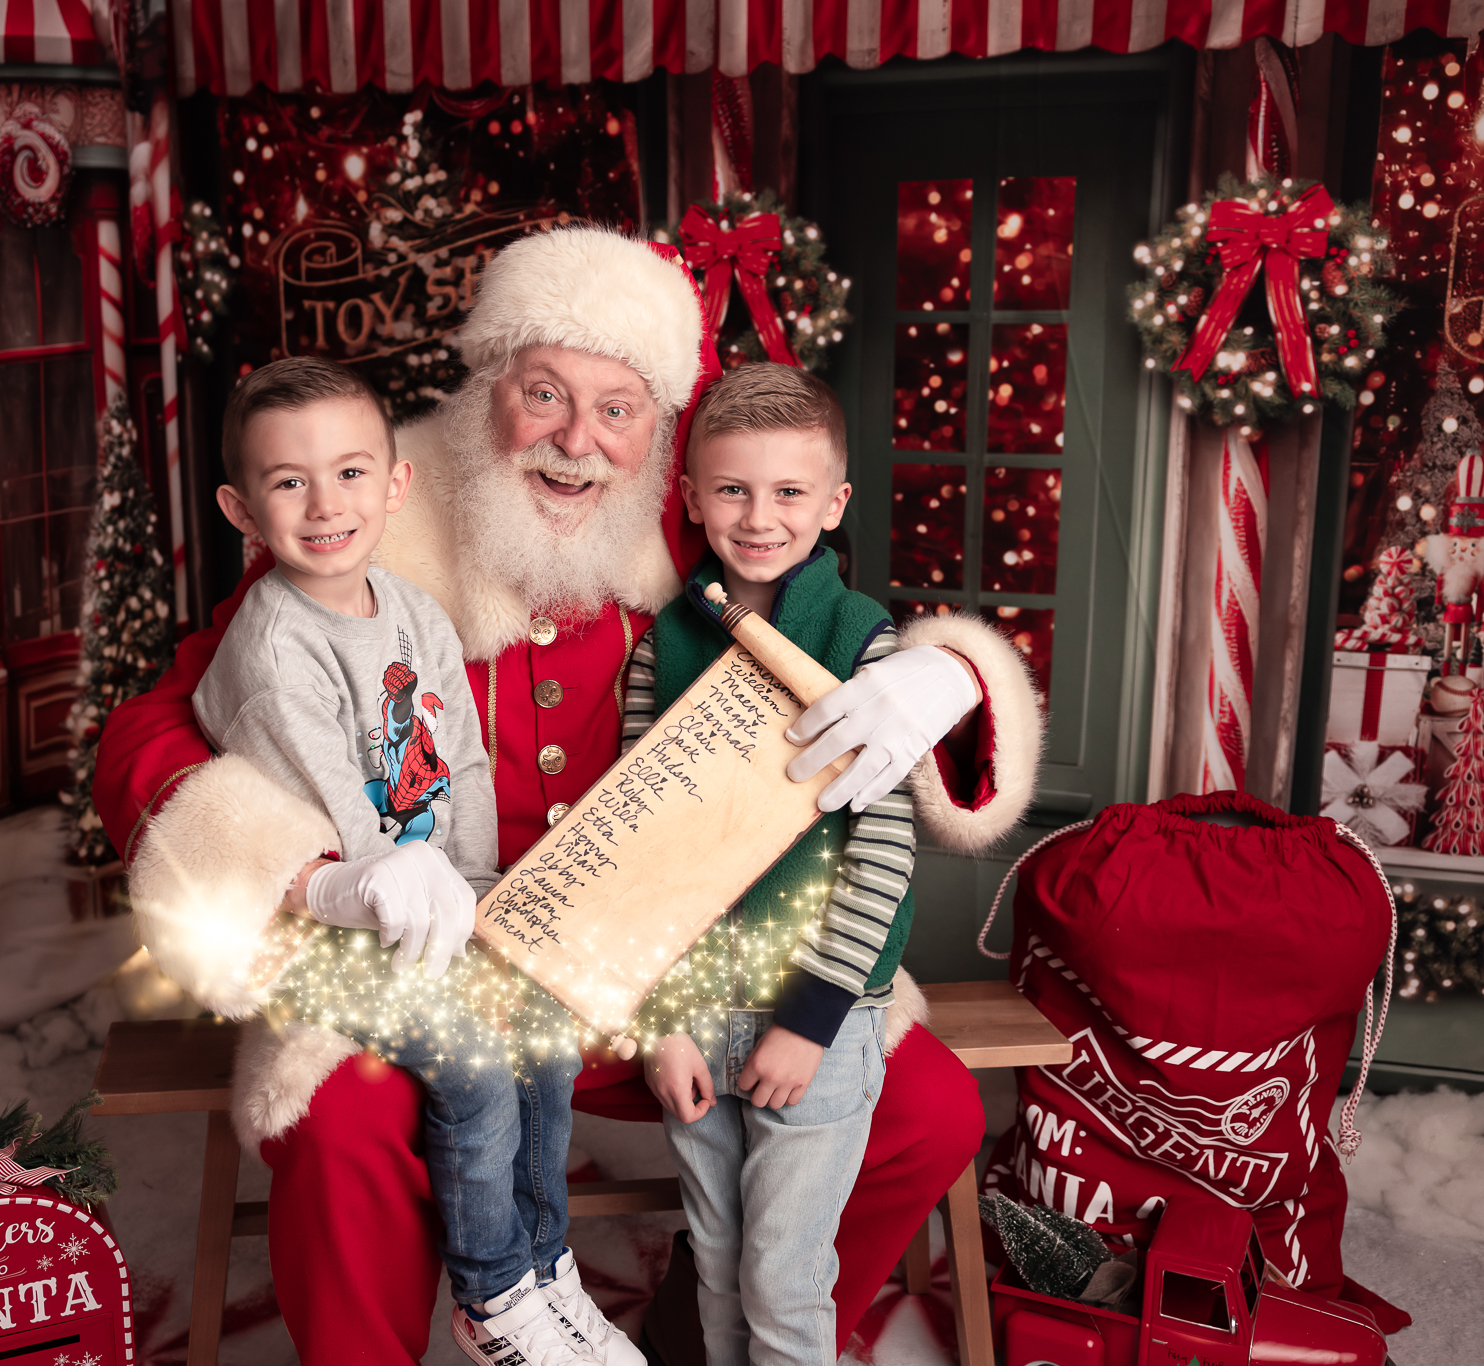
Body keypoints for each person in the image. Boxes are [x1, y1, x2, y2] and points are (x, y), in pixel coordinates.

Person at [102, 226, 1042, 1364]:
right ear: (484, 387)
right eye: (541, 393)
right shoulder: (367, 507)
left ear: (662, 436)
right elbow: (151, 727)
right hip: (441, 958)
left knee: (925, 1111)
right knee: (340, 1114)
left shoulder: (692, 523)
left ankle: (718, 1336)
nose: (574, 440)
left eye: (617, 408)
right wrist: (310, 871)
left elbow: (846, 635)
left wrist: (942, 675)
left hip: (666, 976)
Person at [170, 356, 634, 1366]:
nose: (323, 504)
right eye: (287, 481)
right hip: (329, 936)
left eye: (348, 473)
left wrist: (476, 913)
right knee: (473, 1064)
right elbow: (347, 838)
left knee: (542, 1016)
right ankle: (493, 1294)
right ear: (241, 509)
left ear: (394, 484)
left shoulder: (413, 612)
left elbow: (460, 764)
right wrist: (430, 934)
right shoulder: (276, 652)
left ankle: (544, 1263)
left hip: (431, 909)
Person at [625, 364, 964, 1366]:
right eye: (730, 489)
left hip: (813, 1020)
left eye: (786, 492)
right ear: (688, 496)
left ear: (832, 502)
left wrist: (811, 1019)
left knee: (782, 1274)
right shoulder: (662, 643)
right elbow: (639, 846)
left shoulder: (864, 644)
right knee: (721, 1266)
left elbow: (883, 848)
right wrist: (660, 1020)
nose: (758, 516)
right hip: (695, 1013)